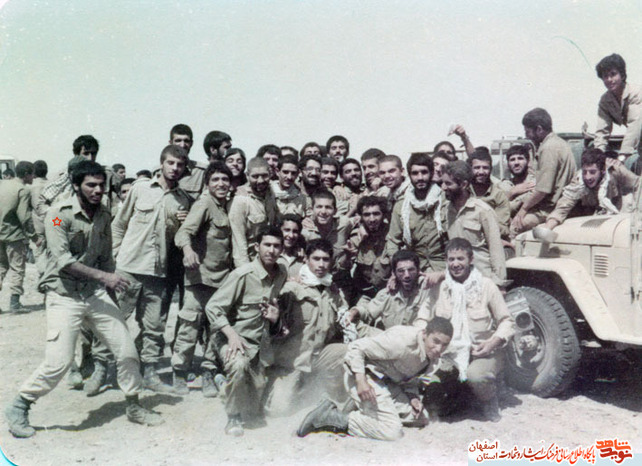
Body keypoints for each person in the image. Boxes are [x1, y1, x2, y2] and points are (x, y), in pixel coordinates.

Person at [4, 160, 163, 439]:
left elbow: (106, 258)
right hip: (64, 295)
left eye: (101, 185)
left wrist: (111, 289)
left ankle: (133, 405)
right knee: (59, 362)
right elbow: (63, 260)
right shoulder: (57, 215)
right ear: (76, 186)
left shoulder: (104, 214)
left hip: (94, 292)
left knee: (127, 351)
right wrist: (106, 277)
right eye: (91, 185)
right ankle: (20, 405)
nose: (98, 190)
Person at [108, 145, 192, 393]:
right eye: (170, 163)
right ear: (161, 163)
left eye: (180, 165)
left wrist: (184, 224)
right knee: (114, 319)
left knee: (154, 326)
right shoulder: (140, 189)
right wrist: (116, 257)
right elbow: (119, 225)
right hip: (129, 267)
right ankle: (101, 368)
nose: (175, 168)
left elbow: (179, 239)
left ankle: (150, 372)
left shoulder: (183, 200)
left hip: (157, 273)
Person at [297, 317, 453, 441]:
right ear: (425, 334)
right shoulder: (402, 341)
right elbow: (356, 348)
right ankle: (330, 416)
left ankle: (361, 408)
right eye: (435, 341)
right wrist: (361, 382)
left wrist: (413, 397)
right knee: (392, 431)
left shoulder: (432, 357)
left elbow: (410, 378)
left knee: (421, 417)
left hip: (386, 383)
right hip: (363, 376)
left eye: (444, 345)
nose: (438, 349)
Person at [205, 225, 287, 437]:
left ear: (282, 249)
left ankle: (222, 382)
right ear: (256, 247)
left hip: (259, 345)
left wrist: (275, 318)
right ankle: (233, 417)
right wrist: (231, 335)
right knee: (239, 366)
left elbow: (274, 308)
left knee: (256, 408)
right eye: (267, 245)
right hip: (233, 340)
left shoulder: (281, 274)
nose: (271, 250)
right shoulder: (242, 274)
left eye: (276, 246)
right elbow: (213, 307)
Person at [429, 238, 515, 422]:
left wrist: (492, 343)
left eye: (460, 258)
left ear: (471, 259)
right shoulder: (441, 288)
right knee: (433, 384)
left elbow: (507, 321)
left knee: (476, 376)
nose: (455, 264)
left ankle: (489, 399)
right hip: (451, 353)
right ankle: (461, 395)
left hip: (483, 352)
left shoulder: (486, 285)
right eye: (451, 259)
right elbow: (424, 318)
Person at [265, 239, 349, 417]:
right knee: (278, 411)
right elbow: (274, 326)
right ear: (306, 260)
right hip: (293, 362)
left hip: (319, 358)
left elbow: (345, 320)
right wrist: (275, 320)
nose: (321, 264)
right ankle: (292, 387)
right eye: (316, 259)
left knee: (348, 351)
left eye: (325, 259)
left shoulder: (333, 291)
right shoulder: (291, 288)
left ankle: (328, 392)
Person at [171, 162, 234, 397]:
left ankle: (208, 371)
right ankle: (179, 371)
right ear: (207, 184)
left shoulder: (227, 206)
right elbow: (183, 232)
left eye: (225, 179)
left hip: (222, 279)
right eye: (215, 179)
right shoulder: (204, 203)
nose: (221, 184)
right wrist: (188, 251)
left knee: (215, 328)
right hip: (199, 278)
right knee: (190, 325)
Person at [510, 108, 576, 236]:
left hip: (549, 209)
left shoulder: (548, 148)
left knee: (514, 227)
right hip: (558, 204)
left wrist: (523, 209)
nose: (527, 136)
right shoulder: (559, 143)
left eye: (528, 131)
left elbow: (542, 190)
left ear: (539, 129)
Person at [441, 161, 507, 287]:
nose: (443, 187)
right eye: (443, 182)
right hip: (457, 280)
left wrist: (499, 283)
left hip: (482, 279)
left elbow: (496, 250)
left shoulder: (482, 211)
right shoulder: (445, 210)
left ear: (464, 184)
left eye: (448, 183)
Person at [544, 148, 639, 229]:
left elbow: (638, 184)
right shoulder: (579, 180)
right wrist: (548, 227)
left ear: (602, 170)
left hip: (617, 208)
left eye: (592, 172)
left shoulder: (616, 170)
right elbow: (564, 205)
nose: (587, 177)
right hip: (591, 212)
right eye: (585, 172)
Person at [347, 250, 434, 338]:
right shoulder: (387, 293)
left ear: (418, 270)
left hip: (418, 341)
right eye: (401, 271)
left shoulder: (429, 291)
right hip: (388, 341)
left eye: (411, 270)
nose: (407, 275)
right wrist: (355, 312)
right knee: (352, 324)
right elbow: (368, 312)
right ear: (394, 273)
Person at [386, 153, 446, 273]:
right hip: (415, 269)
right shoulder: (401, 206)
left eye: (424, 172)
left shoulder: (445, 200)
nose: (420, 178)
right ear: (409, 175)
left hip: (444, 266)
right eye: (415, 173)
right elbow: (393, 241)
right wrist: (397, 270)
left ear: (432, 173)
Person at [594, 54, 642, 172]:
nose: (609, 79)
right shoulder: (605, 101)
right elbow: (602, 131)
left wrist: (622, 157)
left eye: (613, 74)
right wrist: (598, 157)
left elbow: (634, 126)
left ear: (622, 75)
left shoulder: (636, 93)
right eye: (605, 76)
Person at [0, 161, 37, 312]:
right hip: (14, 235)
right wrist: (35, 236)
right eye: (32, 174)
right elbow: (26, 216)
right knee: (17, 268)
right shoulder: (24, 190)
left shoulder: (3, 184)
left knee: (1, 267)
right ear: (27, 174)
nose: (33, 177)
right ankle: (15, 303)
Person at [228, 157, 277, 267]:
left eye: (264, 175)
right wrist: (246, 271)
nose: (260, 180)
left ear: (270, 174)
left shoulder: (271, 193)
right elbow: (239, 244)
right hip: (250, 262)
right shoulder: (240, 201)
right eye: (255, 176)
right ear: (247, 175)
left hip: (268, 259)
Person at [345, 196, 390, 304]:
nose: (372, 219)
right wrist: (348, 256)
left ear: (383, 214)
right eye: (366, 215)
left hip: (389, 292)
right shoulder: (355, 236)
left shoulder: (392, 234)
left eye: (376, 214)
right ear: (361, 216)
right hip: (365, 294)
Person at [467, 150, 511, 238]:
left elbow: (503, 228)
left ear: (491, 169)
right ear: (470, 169)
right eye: (477, 168)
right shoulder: (463, 192)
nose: (481, 172)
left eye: (485, 168)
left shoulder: (498, 195)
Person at [497, 145, 536, 216]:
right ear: (508, 164)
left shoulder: (534, 182)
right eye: (512, 160)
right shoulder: (505, 185)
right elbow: (497, 209)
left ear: (528, 161)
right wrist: (512, 192)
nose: (516, 163)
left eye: (520, 158)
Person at [271, 154, 306, 219]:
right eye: (285, 172)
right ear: (277, 172)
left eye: (293, 173)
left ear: (297, 174)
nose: (289, 177)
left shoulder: (303, 199)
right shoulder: (267, 194)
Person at [30, 160, 48, 273]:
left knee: (39, 251)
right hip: (55, 220)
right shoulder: (52, 183)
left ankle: (43, 275)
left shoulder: (31, 186)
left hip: (38, 224)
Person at [277, 214, 305, 278]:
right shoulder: (272, 255)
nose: (291, 235)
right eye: (287, 230)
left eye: (295, 231)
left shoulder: (302, 258)